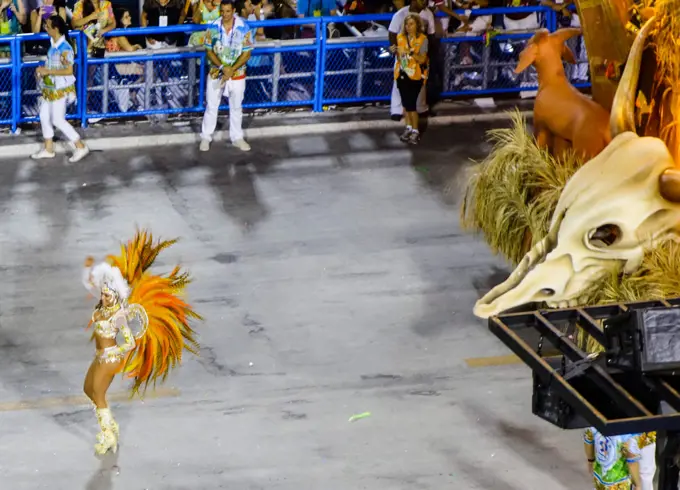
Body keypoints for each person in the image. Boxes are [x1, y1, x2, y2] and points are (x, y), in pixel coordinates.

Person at [81, 229, 201, 455]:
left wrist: (113, 350)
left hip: (111, 359)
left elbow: (131, 343)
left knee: (98, 394)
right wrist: (89, 270)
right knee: (87, 389)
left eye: (107, 295)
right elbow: (92, 284)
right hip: (102, 357)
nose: (104, 297)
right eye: (103, 294)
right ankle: (111, 426)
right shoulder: (102, 310)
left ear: (115, 297)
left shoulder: (118, 317)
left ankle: (108, 436)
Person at [32, 15, 90, 163]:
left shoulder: (65, 48)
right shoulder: (54, 45)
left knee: (58, 120)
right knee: (44, 116)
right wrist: (42, 70)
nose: (45, 28)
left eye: (47, 26)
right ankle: (48, 149)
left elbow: (68, 71)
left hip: (61, 89)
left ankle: (80, 146)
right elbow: (54, 66)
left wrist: (48, 71)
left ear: (55, 29)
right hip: (50, 88)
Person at [199, 0, 253, 152]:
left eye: (228, 11)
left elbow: (247, 52)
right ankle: (206, 137)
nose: (225, 14)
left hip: (237, 75)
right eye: (222, 11)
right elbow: (209, 51)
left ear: (233, 10)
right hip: (216, 73)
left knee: (236, 107)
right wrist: (223, 67)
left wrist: (231, 69)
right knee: (211, 106)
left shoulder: (244, 27)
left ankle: (237, 137)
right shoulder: (213, 27)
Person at [388, 0, 434, 121]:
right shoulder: (400, 14)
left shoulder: (428, 14)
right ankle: (396, 110)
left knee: (420, 82)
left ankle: (421, 108)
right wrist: (397, 52)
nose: (425, 2)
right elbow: (392, 33)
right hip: (403, 54)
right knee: (400, 81)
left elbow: (431, 35)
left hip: (419, 55)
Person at [392, 13, 428, 145]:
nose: (408, 27)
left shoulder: (423, 39)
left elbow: (423, 59)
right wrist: (393, 50)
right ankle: (408, 128)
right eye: (407, 24)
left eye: (411, 24)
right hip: (401, 74)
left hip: (415, 75)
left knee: (412, 106)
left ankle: (415, 131)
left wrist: (410, 52)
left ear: (417, 25)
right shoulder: (400, 37)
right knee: (406, 105)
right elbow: (397, 55)